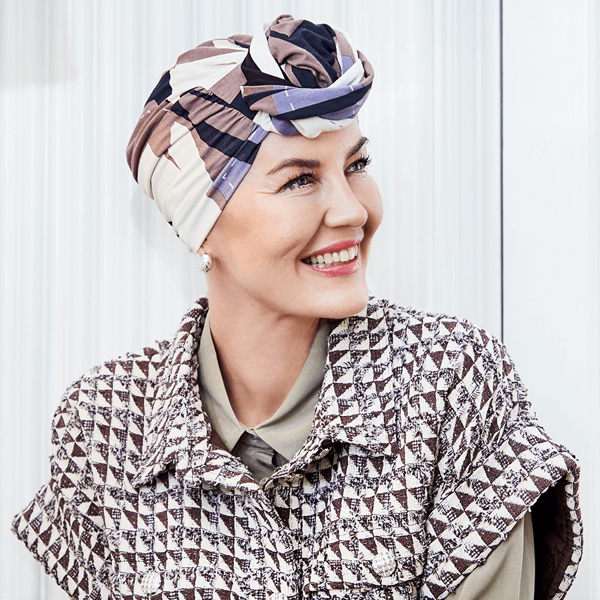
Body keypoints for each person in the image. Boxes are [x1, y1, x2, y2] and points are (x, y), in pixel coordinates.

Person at [13, 14, 581, 600]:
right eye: (299, 180)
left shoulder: (451, 383)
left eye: (356, 166)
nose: (352, 211)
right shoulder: (103, 425)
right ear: (200, 225)